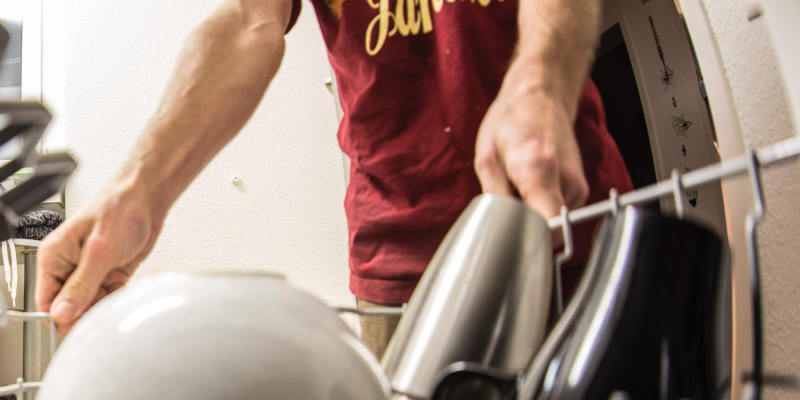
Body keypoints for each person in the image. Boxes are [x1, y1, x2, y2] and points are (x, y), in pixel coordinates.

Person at [35, 0, 633, 358]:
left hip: (563, 213)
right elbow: (249, 22)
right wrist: (137, 192)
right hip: (398, 265)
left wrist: (539, 81)